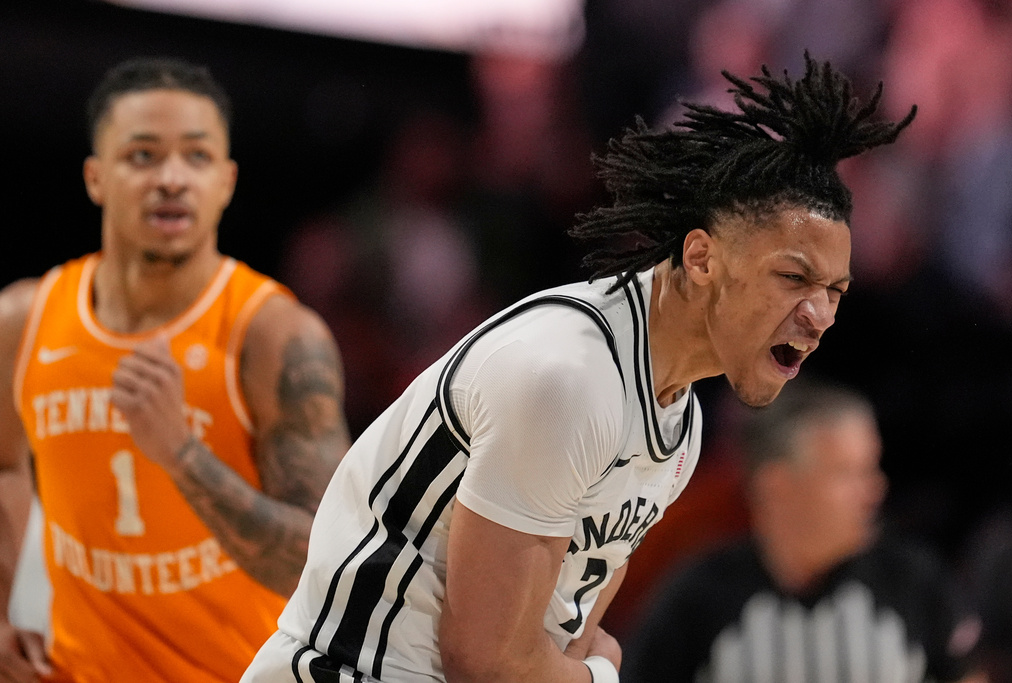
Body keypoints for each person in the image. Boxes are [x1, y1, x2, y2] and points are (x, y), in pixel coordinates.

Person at [242, 53, 915, 683]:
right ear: (704, 258)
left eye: (835, 291)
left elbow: (563, 634)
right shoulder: (569, 376)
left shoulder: (677, 421)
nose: (819, 314)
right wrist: (597, 675)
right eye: (794, 276)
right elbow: (486, 658)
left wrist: (581, 664)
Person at [0, 57, 351, 683]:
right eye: (142, 156)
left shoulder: (274, 337)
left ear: (227, 180)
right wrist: (5, 614)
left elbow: (326, 562)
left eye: (197, 157)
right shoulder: (24, 319)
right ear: (95, 177)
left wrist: (182, 454)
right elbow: (4, 468)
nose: (172, 179)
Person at [621, 379, 980, 683]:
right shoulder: (700, 596)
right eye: (848, 473)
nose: (875, 489)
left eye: (871, 468)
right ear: (776, 487)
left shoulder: (914, 581)